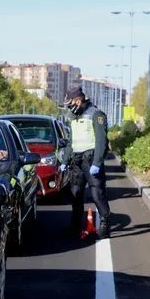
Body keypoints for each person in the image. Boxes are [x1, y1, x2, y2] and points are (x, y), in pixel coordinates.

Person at [61, 86, 110, 238]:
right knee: (76, 195)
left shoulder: (96, 115)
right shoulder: (73, 117)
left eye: (70, 103)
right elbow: (71, 142)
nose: (69, 107)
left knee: (97, 194)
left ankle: (105, 224)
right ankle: (75, 226)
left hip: (91, 160)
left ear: (78, 100)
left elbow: (101, 141)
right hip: (77, 161)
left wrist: (97, 163)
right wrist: (64, 160)